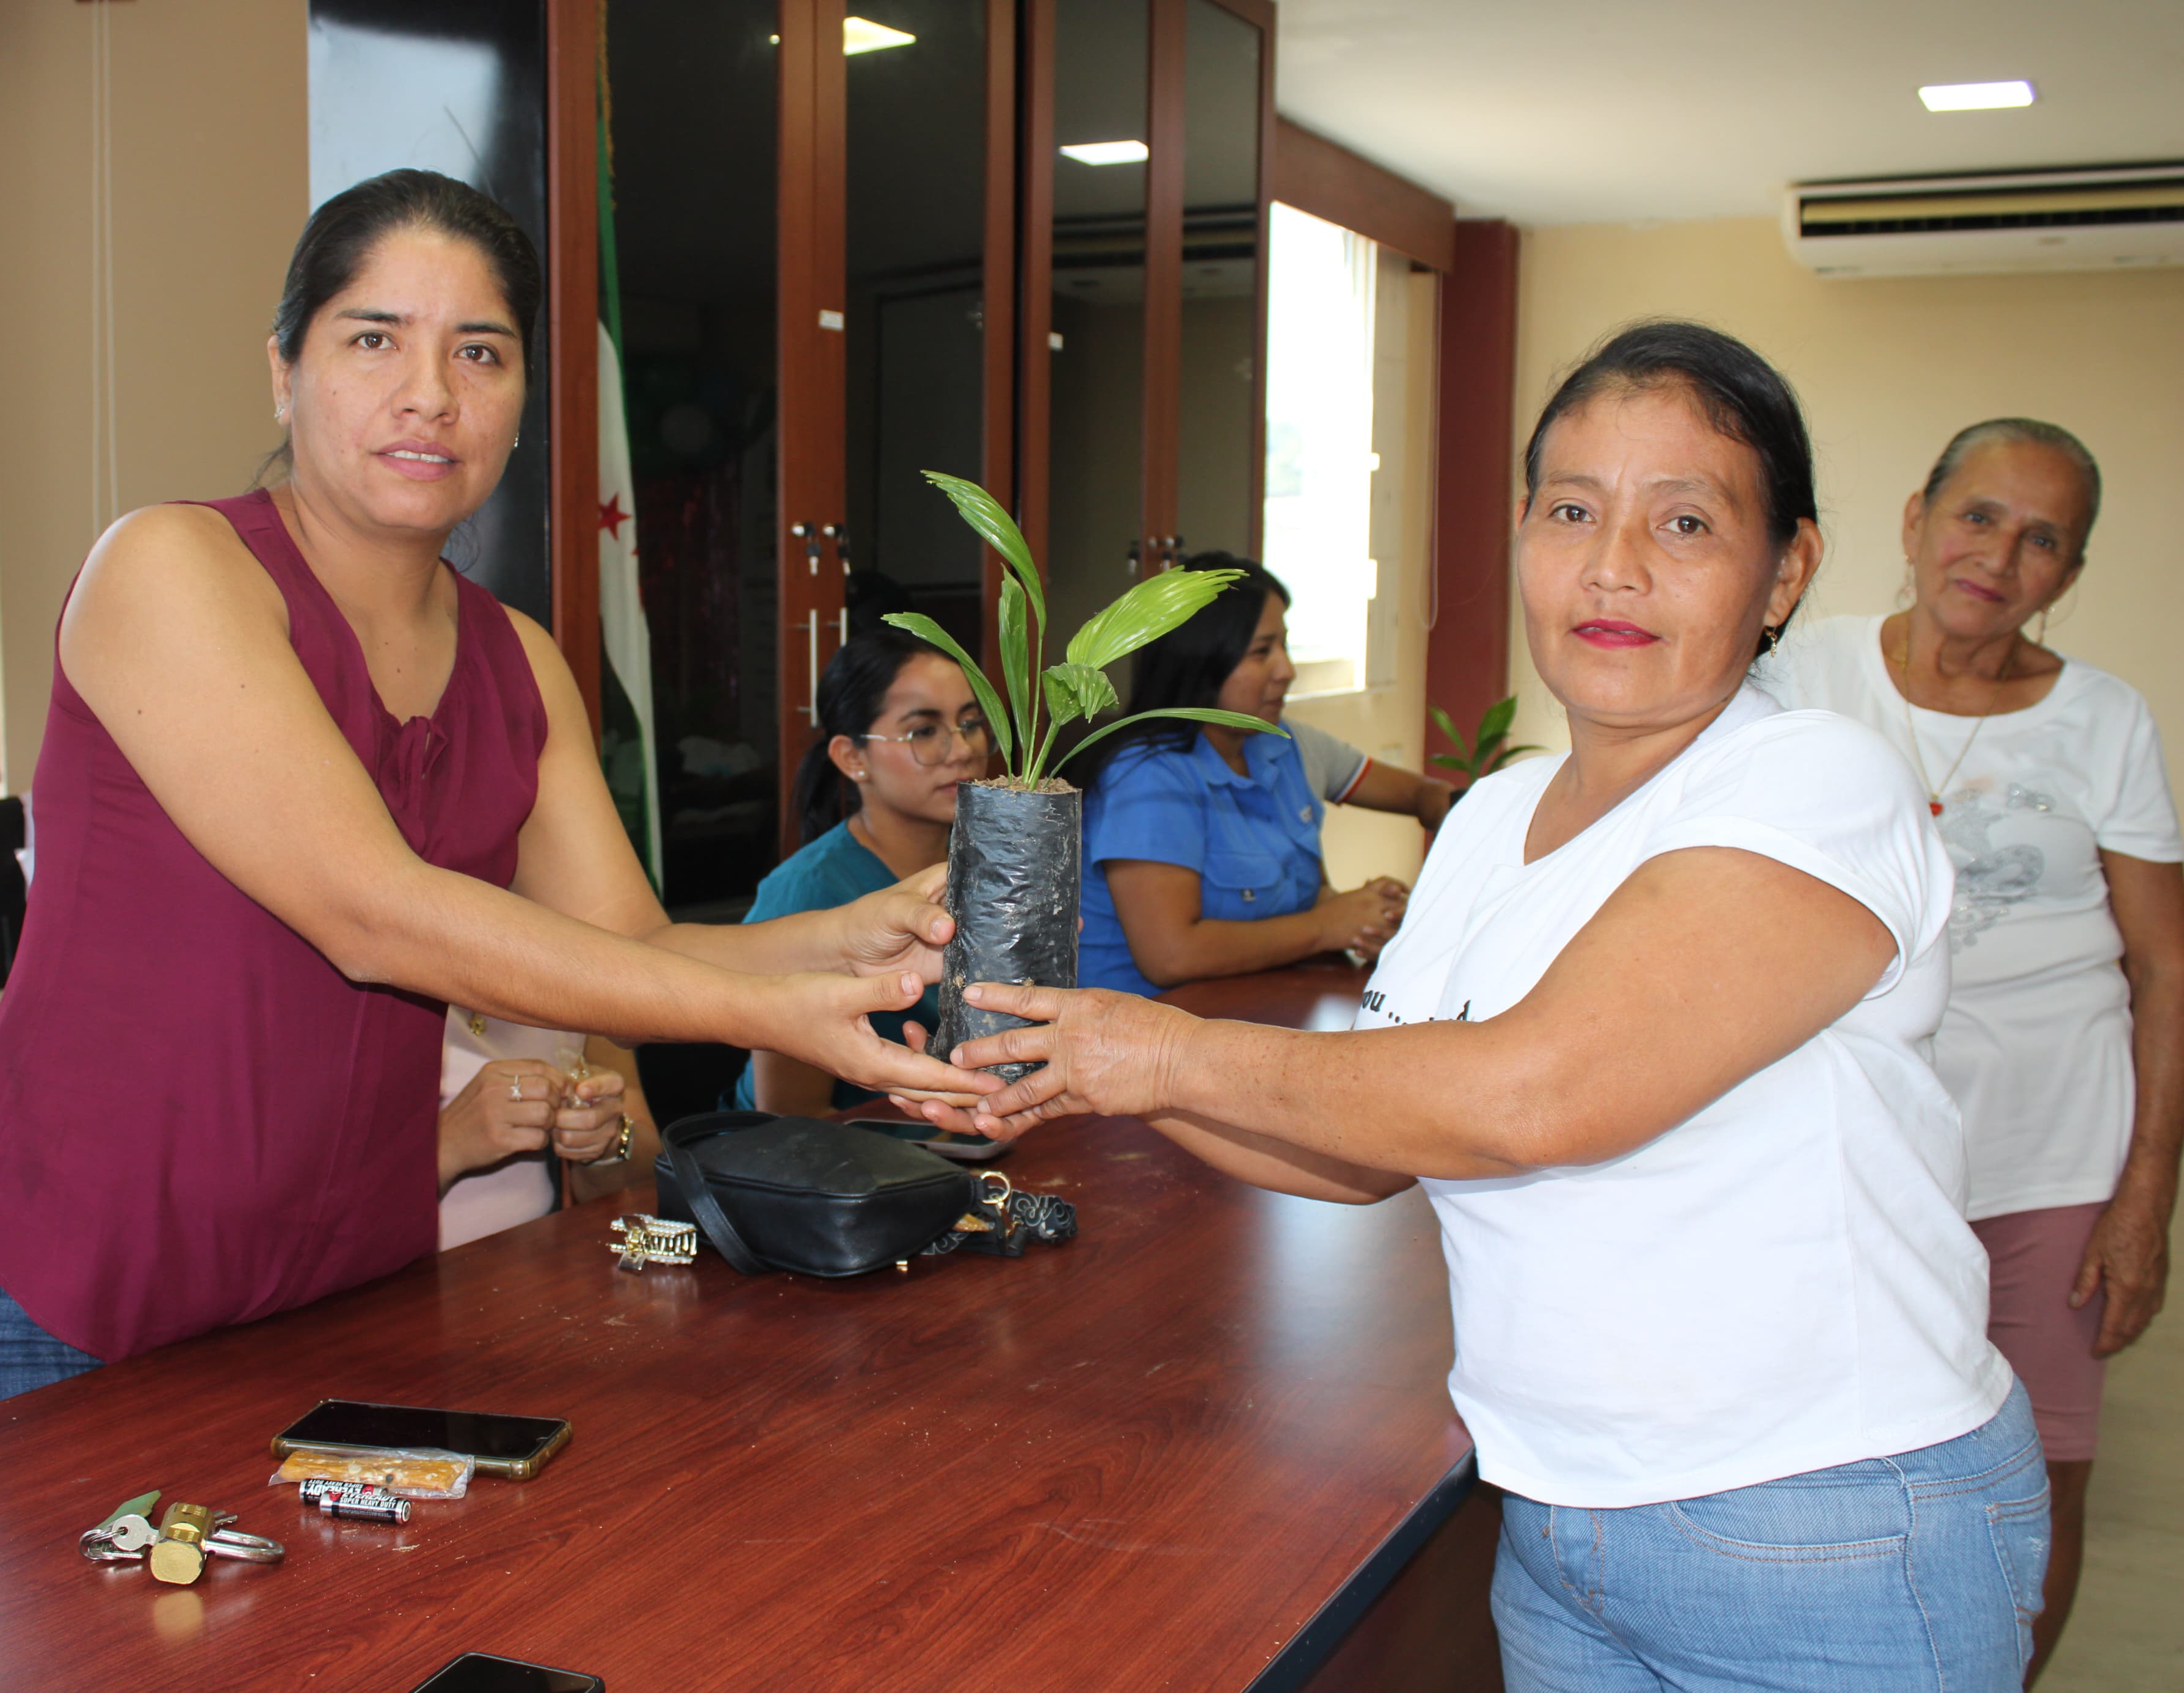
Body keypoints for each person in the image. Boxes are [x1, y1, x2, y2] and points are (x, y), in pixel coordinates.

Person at [907, 321, 2049, 1691]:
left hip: (1828, 1520)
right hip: (1557, 1515)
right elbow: (1363, 1153)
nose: (1613, 565)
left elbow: (1538, 1094)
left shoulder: (1813, 781)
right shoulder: (1496, 816)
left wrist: (1157, 1050)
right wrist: (1066, 1065)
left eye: (1685, 521)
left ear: (1786, 570)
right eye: (1571, 510)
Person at [0, 169, 981, 1438]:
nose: (430, 394)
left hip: (338, 1281)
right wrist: (781, 1011)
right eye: (373, 339)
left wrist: (857, 933)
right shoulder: (172, 567)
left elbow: (630, 946)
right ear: (283, 371)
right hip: (61, 1283)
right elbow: (375, 913)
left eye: (480, 352)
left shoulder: (520, 661)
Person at [1760, 417, 2182, 1679]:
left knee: (2041, 1472)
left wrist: (2145, 1198)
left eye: (2042, 539)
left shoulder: (2105, 719)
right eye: (1979, 515)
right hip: (1848, 1152)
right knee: (1833, 1460)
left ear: (2071, 572)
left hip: (2052, 1151)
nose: (1999, 556)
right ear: (1916, 519)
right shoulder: (1803, 674)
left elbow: (2166, 966)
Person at [1074, 556, 1444, 994]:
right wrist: (1327, 926)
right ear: (1203, 662)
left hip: (1258, 1004)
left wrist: (1364, 914)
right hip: (1146, 1022)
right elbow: (1171, 956)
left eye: (1284, 647)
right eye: (1262, 652)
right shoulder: (1147, 775)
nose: (1287, 671)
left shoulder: (1278, 745)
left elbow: (1299, 898)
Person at [734, 626, 985, 1114]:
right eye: (924, 731)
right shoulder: (808, 890)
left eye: (971, 722)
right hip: (838, 1152)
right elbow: (794, 1119)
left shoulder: (980, 860)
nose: (962, 750)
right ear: (853, 758)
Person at [436, 1018, 661, 1250]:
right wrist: (446, 1147)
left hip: (540, 1253)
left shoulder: (581, 1000)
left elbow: (645, 1181)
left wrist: (605, 1142)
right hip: (426, 1264)